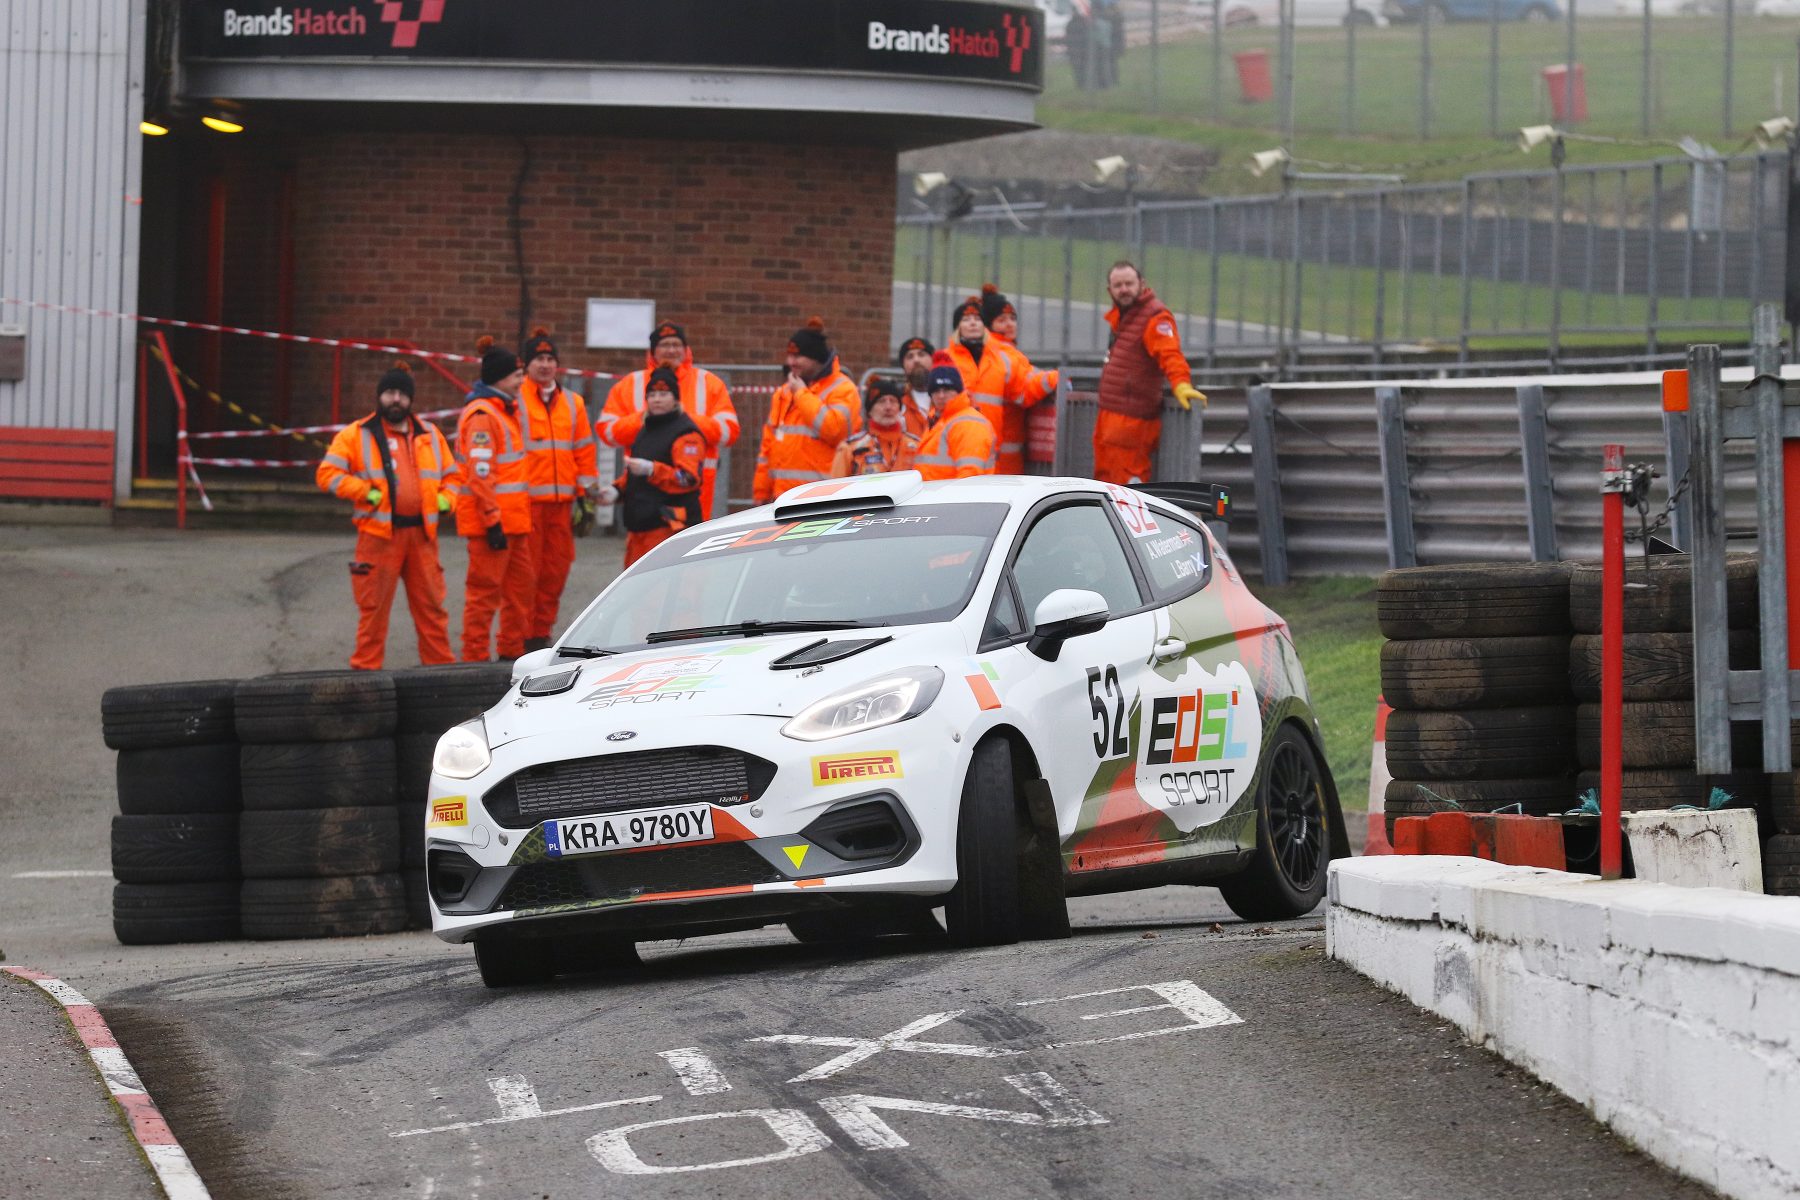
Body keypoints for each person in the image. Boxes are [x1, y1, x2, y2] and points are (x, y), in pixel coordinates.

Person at [315, 361, 459, 670]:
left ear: (411, 399)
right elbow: (327, 474)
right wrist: (364, 492)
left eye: (402, 394)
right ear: (380, 396)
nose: (396, 399)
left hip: (422, 538)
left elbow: (453, 477)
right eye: (390, 392)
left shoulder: (429, 434)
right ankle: (366, 675)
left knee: (432, 610)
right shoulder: (357, 434)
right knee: (373, 612)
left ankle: (440, 673)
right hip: (378, 538)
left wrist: (447, 500)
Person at [597, 321, 738, 520]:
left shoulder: (709, 383)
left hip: (693, 488)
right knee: (646, 536)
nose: (671, 350)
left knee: (690, 538)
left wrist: (679, 420)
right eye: (664, 345)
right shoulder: (630, 384)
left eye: (676, 345)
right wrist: (646, 418)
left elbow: (729, 432)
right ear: (652, 352)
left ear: (686, 350)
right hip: (643, 487)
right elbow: (607, 432)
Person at [515, 327, 599, 650]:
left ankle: (540, 635)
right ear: (526, 364)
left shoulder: (573, 403)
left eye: (550, 358)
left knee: (554, 574)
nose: (545, 364)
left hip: (562, 505)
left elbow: (584, 451)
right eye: (539, 359)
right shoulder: (516, 399)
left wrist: (586, 497)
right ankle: (520, 637)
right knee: (526, 576)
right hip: (527, 505)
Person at [455, 337, 532, 663]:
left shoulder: (502, 410)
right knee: (484, 595)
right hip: (494, 525)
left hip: (512, 523)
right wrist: (492, 521)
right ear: (500, 378)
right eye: (517, 375)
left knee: (519, 592)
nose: (522, 381)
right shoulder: (484, 416)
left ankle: (511, 654)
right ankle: (474, 661)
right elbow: (480, 475)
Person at [1095, 261, 1206, 486]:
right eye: (1118, 285)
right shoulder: (1123, 317)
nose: (1124, 289)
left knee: (1129, 491)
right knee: (1104, 488)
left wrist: (1181, 384)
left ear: (1142, 284)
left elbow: (1170, 354)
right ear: (1110, 290)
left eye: (1129, 284)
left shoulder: (1154, 317)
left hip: (1133, 424)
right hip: (1109, 422)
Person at [752, 317, 862, 503]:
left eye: (797, 356)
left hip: (824, 497)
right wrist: (761, 492)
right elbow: (768, 447)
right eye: (789, 355)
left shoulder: (843, 389)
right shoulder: (784, 393)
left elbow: (835, 430)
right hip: (783, 498)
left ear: (815, 358)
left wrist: (801, 394)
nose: (790, 362)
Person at [610, 365, 706, 567]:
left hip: (668, 526)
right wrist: (616, 490)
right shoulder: (646, 430)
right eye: (652, 394)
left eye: (664, 394)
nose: (657, 399)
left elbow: (688, 479)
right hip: (639, 526)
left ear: (676, 399)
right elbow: (635, 473)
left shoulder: (686, 434)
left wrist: (653, 470)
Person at [943, 293, 1034, 475]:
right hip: (956, 440)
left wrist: (1057, 378)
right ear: (957, 327)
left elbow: (1024, 388)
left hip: (991, 445)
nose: (973, 323)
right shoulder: (946, 359)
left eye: (977, 319)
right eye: (966, 319)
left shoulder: (999, 360)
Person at [979, 284, 1060, 475]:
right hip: (1004, 456)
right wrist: (1057, 377)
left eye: (1012, 318)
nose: (1010, 324)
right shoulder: (1002, 354)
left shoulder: (1002, 351)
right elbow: (1025, 390)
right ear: (989, 325)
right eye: (1001, 320)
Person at [914, 353, 996, 482]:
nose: (941, 395)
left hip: (953, 494)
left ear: (958, 391)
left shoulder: (968, 424)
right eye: (936, 390)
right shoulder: (938, 420)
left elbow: (970, 477)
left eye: (946, 389)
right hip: (937, 493)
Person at [833, 377, 919, 477]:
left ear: (899, 408)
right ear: (870, 410)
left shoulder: (916, 446)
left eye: (893, 401)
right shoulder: (851, 449)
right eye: (881, 401)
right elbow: (837, 484)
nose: (888, 407)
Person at [895, 336, 937, 439]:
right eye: (910, 357)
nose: (916, 360)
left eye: (921, 355)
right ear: (903, 366)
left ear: (933, 360)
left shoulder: (948, 398)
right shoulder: (895, 401)